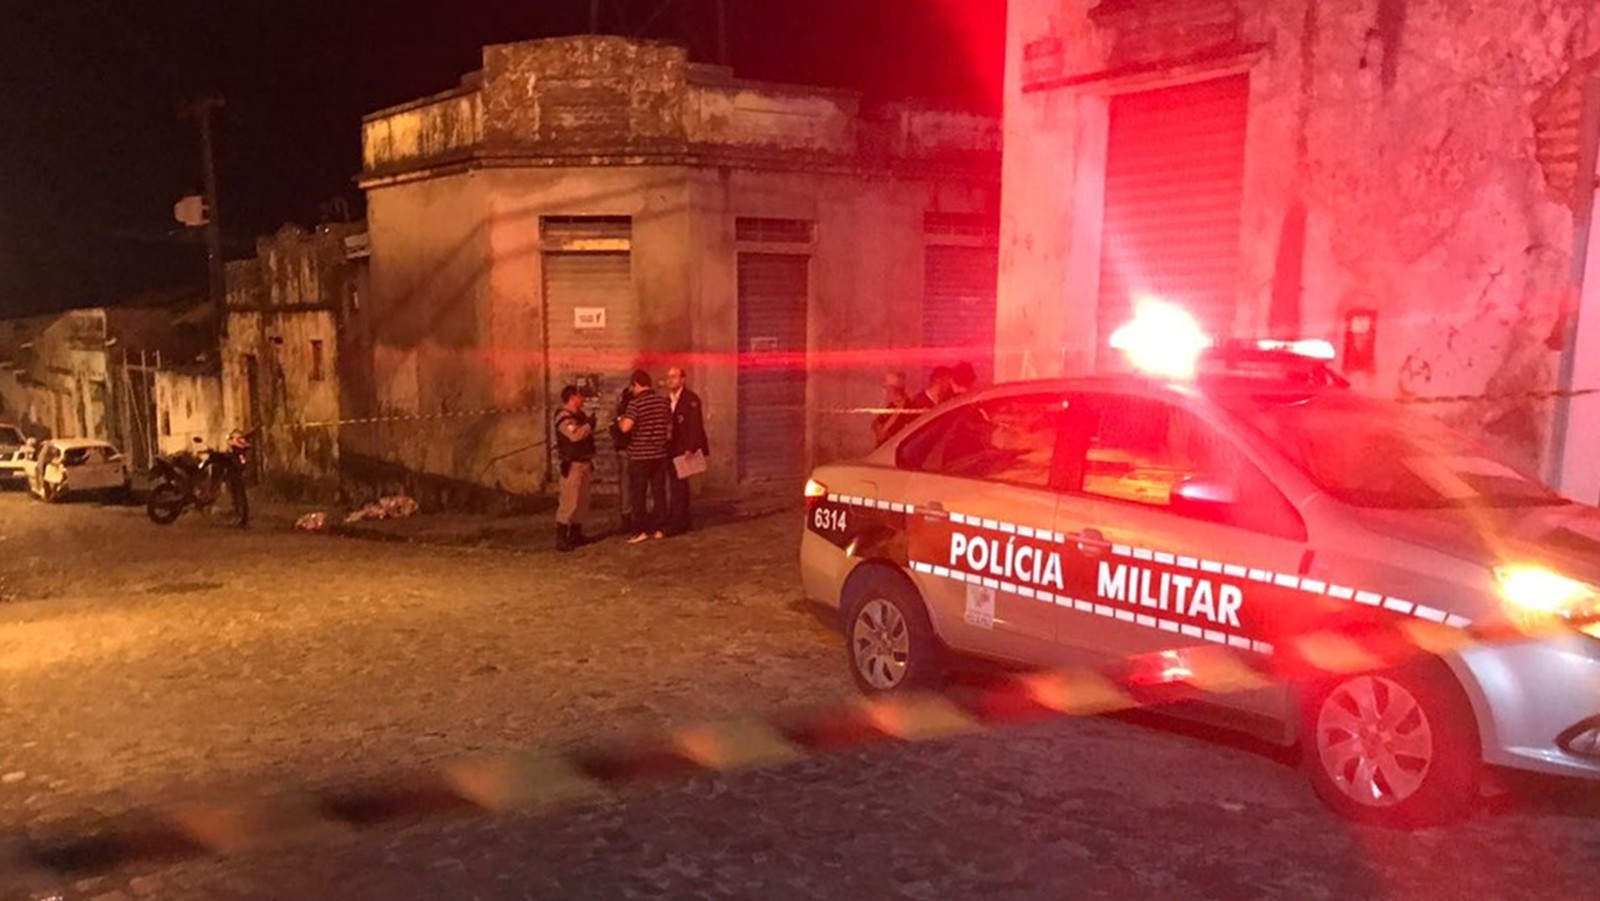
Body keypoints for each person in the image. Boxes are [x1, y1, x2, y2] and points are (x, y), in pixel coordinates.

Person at [617, 369, 672, 543]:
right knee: (659, 493)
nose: (631, 390)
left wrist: (619, 420)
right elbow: (669, 428)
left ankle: (639, 530)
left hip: (640, 456)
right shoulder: (663, 402)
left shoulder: (635, 404)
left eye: (632, 386)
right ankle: (659, 528)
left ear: (636, 384)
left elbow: (625, 427)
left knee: (638, 495)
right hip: (659, 454)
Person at [665, 366, 709, 536]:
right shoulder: (667, 400)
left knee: (680, 485)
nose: (670, 380)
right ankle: (678, 517)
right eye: (669, 377)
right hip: (671, 448)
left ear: (682, 379)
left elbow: (695, 425)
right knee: (675, 485)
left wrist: (691, 447)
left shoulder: (691, 399)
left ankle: (680, 520)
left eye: (674, 377)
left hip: (683, 449)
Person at [553, 385, 596, 552]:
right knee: (569, 502)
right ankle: (562, 538)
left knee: (582, 502)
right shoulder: (563, 417)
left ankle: (576, 535)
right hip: (572, 465)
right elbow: (575, 435)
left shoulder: (580, 416)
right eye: (580, 396)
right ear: (572, 398)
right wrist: (588, 426)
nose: (583, 399)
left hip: (584, 463)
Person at [609, 384, 634, 534]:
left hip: (626, 451)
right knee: (631, 486)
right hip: (630, 451)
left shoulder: (623, 413)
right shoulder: (630, 412)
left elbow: (616, 431)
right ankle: (630, 517)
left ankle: (628, 517)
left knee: (626, 486)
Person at [872, 371, 917, 446]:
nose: (884, 391)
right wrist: (879, 429)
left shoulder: (908, 408)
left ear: (894, 390)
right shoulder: (890, 405)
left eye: (887, 388)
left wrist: (885, 432)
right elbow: (875, 423)